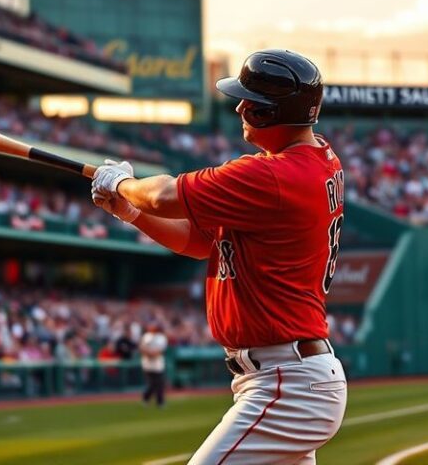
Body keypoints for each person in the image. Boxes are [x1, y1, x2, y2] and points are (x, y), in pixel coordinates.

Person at [91, 49, 347, 464]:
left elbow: (163, 194)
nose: (241, 108)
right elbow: (197, 242)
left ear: (272, 113)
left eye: (252, 102)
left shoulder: (276, 177)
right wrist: (130, 211)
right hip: (286, 378)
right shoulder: (307, 163)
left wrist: (122, 183)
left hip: (289, 382)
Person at [139, 322, 168, 408]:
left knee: (159, 383)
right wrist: (149, 353)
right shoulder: (146, 336)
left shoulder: (161, 338)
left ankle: (159, 401)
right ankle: (147, 398)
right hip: (147, 364)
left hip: (157, 364)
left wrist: (151, 353)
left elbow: (160, 350)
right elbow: (141, 348)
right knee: (152, 384)